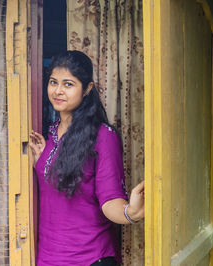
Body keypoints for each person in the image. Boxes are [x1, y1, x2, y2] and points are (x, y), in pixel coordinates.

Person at [29, 50, 144, 266]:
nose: (58, 91)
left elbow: (110, 199)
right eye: (53, 82)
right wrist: (41, 161)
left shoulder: (102, 136)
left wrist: (132, 213)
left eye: (68, 84)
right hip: (48, 258)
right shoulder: (50, 135)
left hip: (90, 258)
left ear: (87, 89)